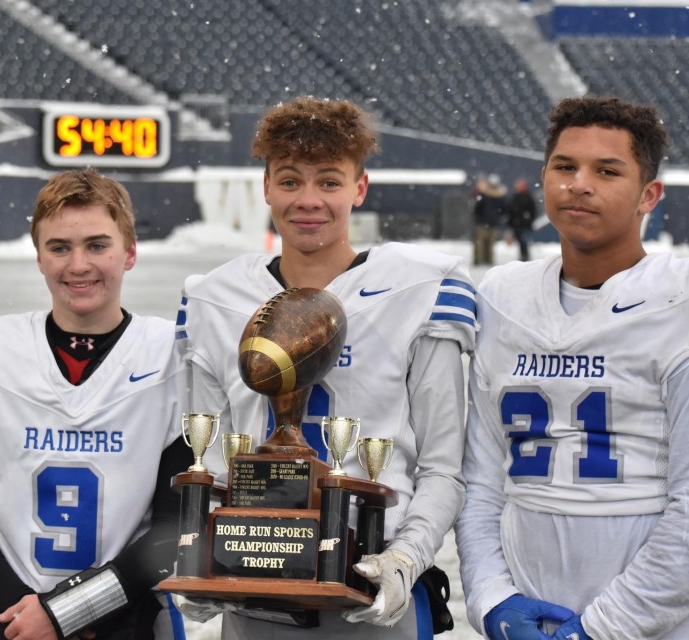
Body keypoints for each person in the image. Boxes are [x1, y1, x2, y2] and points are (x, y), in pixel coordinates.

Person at [173, 96, 476, 639]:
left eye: (329, 182)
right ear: (266, 186)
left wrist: (405, 558)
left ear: (360, 188)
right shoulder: (214, 299)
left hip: (372, 591)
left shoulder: (418, 288)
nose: (308, 200)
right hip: (254, 592)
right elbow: (211, 461)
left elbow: (443, 467)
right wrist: (200, 552)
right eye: (290, 181)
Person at [455, 96, 689, 640]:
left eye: (607, 171)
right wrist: (492, 597)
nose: (579, 184)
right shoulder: (501, 298)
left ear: (649, 195)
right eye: (565, 167)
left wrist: (603, 627)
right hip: (528, 605)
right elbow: (480, 479)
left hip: (662, 624)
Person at [0, 168, 188, 640]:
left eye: (97, 245)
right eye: (60, 247)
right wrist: (24, 611)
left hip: (127, 620)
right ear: (39, 258)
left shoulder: (173, 358)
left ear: (129, 252)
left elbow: (176, 527)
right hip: (5, 618)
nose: (78, 264)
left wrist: (69, 612)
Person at [472, 174, 508, 266]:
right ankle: (485, 260)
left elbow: (477, 209)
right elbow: (503, 210)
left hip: (486, 222)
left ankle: (481, 260)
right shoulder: (498, 196)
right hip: (488, 222)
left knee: (483, 243)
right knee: (486, 243)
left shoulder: (485, 195)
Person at [505, 178, 537, 261]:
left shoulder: (528, 197)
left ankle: (525, 256)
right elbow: (510, 211)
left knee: (524, 241)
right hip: (517, 224)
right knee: (520, 241)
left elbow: (533, 211)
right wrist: (510, 222)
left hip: (524, 224)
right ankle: (523, 256)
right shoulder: (515, 197)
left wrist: (528, 220)